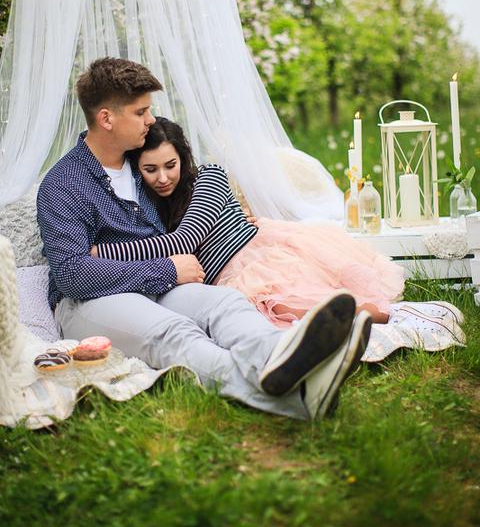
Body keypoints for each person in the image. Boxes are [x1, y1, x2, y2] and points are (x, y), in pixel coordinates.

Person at [37, 57, 373, 422]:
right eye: (141, 112)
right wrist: (167, 270)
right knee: (175, 333)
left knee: (226, 305)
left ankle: (285, 355)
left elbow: (190, 199)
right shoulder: (63, 184)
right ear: (106, 119)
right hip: (91, 300)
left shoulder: (140, 164)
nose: (150, 120)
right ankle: (297, 398)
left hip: (156, 287)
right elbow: (72, 273)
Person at [93, 117, 405, 326]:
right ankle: (341, 319)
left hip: (255, 255)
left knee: (286, 302)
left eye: (170, 165)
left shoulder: (209, 177)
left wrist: (99, 254)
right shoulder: (151, 208)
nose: (162, 177)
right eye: (150, 170)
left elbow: (185, 241)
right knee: (268, 313)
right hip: (222, 279)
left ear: (183, 158)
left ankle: (358, 314)